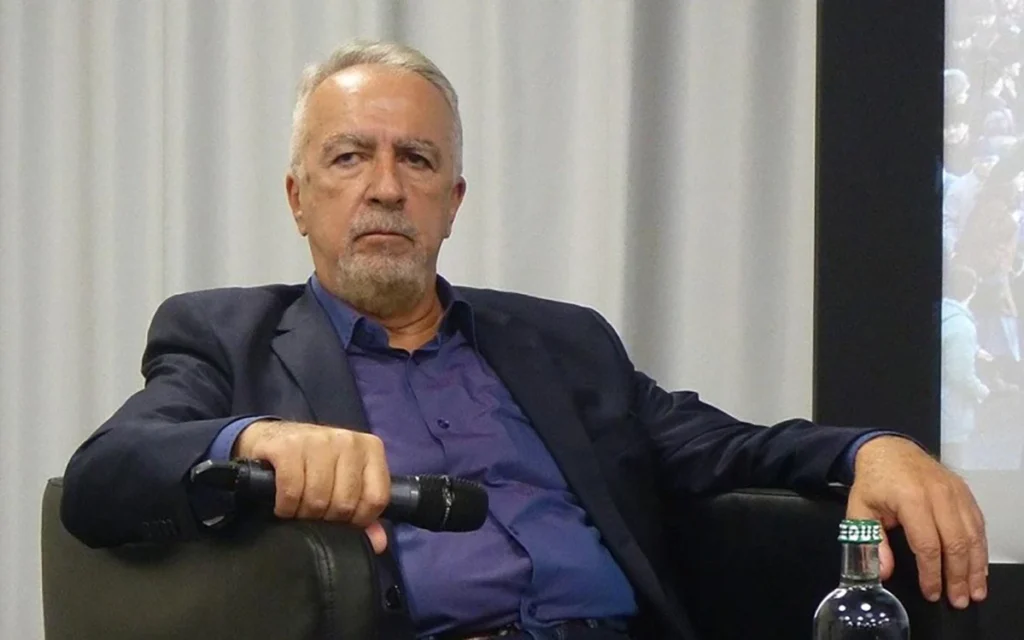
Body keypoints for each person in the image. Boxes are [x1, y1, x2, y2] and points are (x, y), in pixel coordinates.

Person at [60, 40, 989, 640]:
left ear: (452, 201)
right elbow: (102, 480)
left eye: (417, 159)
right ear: (299, 199)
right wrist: (252, 440)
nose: (385, 187)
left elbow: (724, 448)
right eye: (348, 157)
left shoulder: (562, 342)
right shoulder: (229, 336)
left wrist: (874, 448)